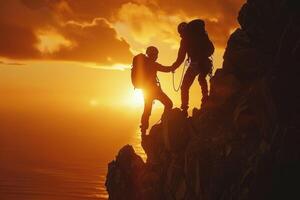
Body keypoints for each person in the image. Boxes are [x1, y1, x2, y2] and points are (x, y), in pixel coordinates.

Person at [172, 20, 214, 116]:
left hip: (195, 64)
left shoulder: (185, 40)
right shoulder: (200, 35)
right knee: (202, 78)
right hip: (206, 62)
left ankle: (184, 109)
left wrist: (173, 67)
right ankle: (205, 98)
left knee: (185, 87)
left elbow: (181, 57)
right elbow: (211, 48)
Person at [139, 46, 174, 135]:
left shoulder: (143, 64)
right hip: (154, 90)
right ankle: (164, 120)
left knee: (147, 110)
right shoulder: (153, 64)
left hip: (146, 91)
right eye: (156, 55)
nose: (157, 56)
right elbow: (165, 69)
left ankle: (143, 130)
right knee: (169, 104)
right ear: (153, 55)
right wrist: (173, 67)